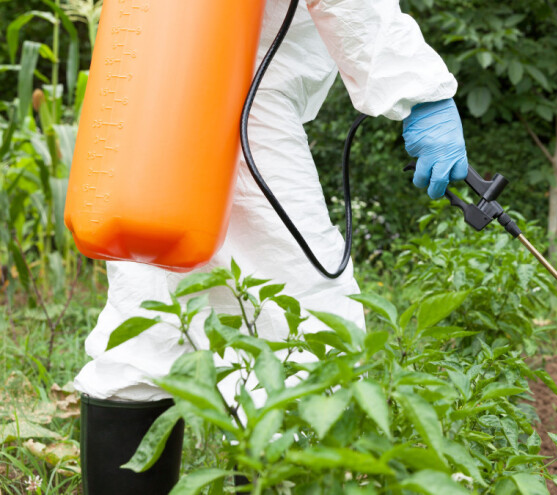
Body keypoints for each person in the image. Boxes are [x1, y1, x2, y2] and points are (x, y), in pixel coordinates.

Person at [74, 1, 469, 493]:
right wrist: (420, 93)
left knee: (147, 324)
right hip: (233, 94)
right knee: (312, 334)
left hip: (145, 93)